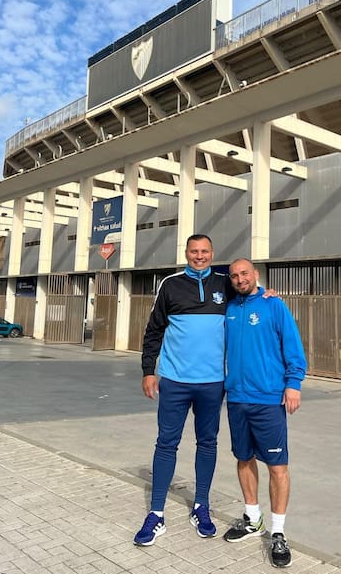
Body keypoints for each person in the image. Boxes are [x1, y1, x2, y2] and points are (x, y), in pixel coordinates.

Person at [134, 234, 275, 547]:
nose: (199, 256)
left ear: (213, 253)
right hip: (174, 380)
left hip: (212, 383)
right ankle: (156, 513)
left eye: (205, 251)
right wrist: (148, 371)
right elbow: (154, 330)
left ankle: (201, 506)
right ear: (186, 252)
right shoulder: (170, 284)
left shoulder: (224, 283)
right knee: (166, 443)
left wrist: (266, 293)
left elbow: (248, 292)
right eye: (194, 251)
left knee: (207, 442)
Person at [223, 258, 306, 568]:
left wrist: (293, 384)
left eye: (245, 273)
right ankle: (253, 519)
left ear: (255, 274)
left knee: (276, 466)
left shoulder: (274, 306)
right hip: (237, 399)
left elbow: (293, 347)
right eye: (234, 275)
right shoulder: (229, 309)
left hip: (268, 400)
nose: (240, 278)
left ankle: (279, 533)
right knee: (243, 459)